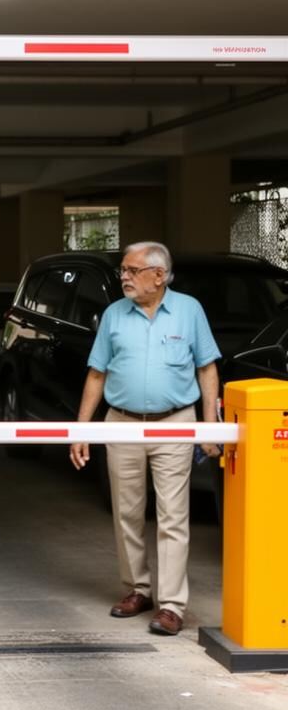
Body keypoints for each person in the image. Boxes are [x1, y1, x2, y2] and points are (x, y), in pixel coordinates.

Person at [70, 241, 220, 636]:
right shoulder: (114, 315)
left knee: (173, 516)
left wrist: (209, 426)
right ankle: (138, 589)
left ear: (159, 275)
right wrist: (81, 430)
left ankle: (171, 605)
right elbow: (97, 374)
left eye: (132, 270)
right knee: (127, 512)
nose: (124, 277)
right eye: (123, 270)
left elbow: (207, 369)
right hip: (122, 422)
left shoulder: (189, 311)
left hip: (175, 422)